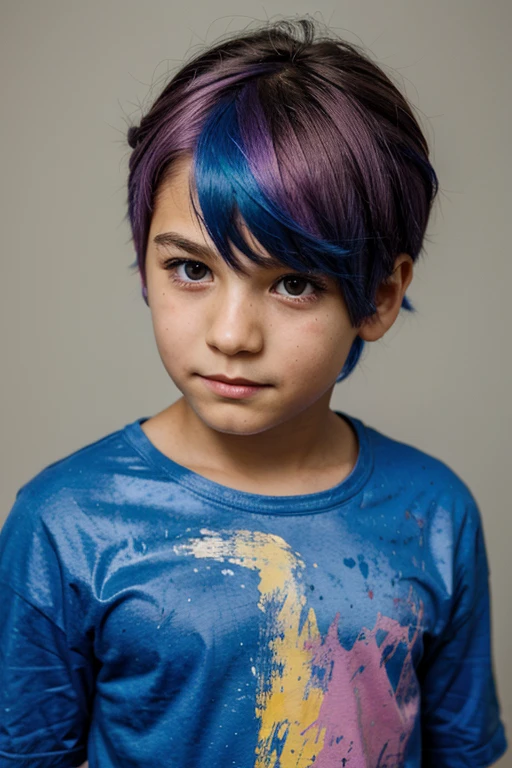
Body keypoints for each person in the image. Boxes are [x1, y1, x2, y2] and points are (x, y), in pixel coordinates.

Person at [0, 15, 507, 768]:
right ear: (145, 263)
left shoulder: (435, 514)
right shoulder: (66, 523)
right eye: (192, 269)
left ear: (381, 295)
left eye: (293, 282)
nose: (232, 333)